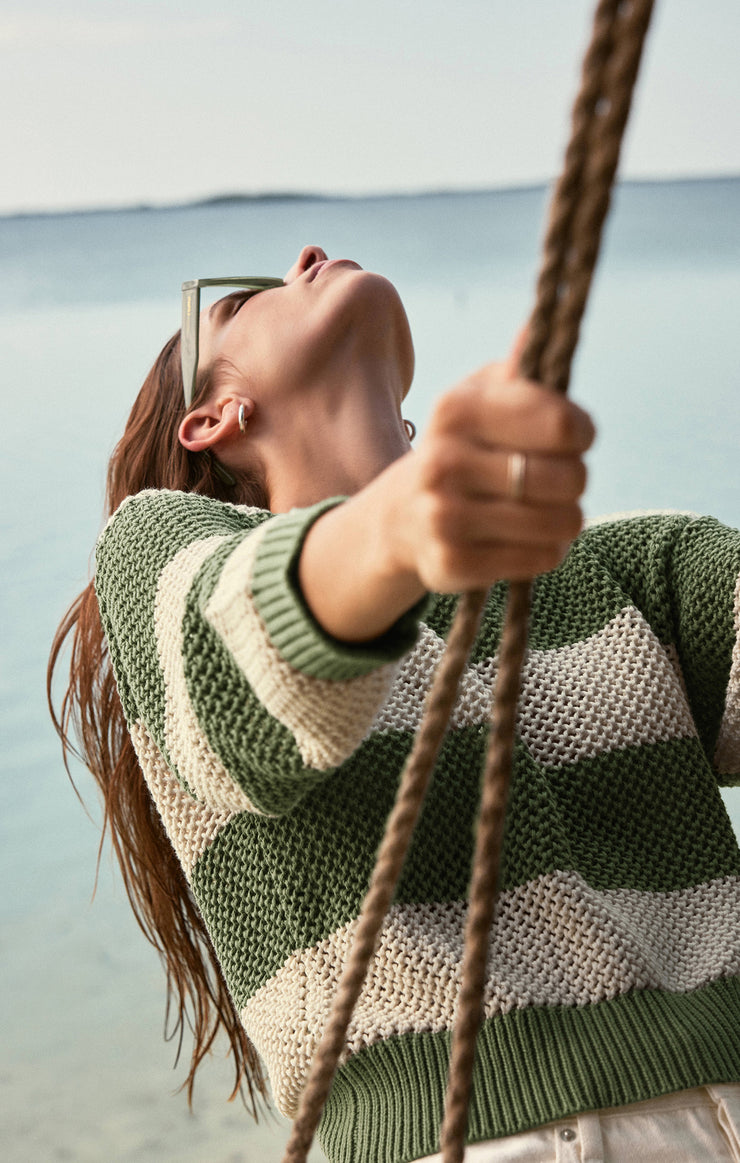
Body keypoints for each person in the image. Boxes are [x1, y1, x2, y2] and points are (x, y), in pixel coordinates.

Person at [50, 245, 740, 1162]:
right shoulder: (161, 552)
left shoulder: (617, 571)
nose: (303, 257)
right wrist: (399, 525)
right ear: (211, 418)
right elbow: (245, 660)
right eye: (243, 299)